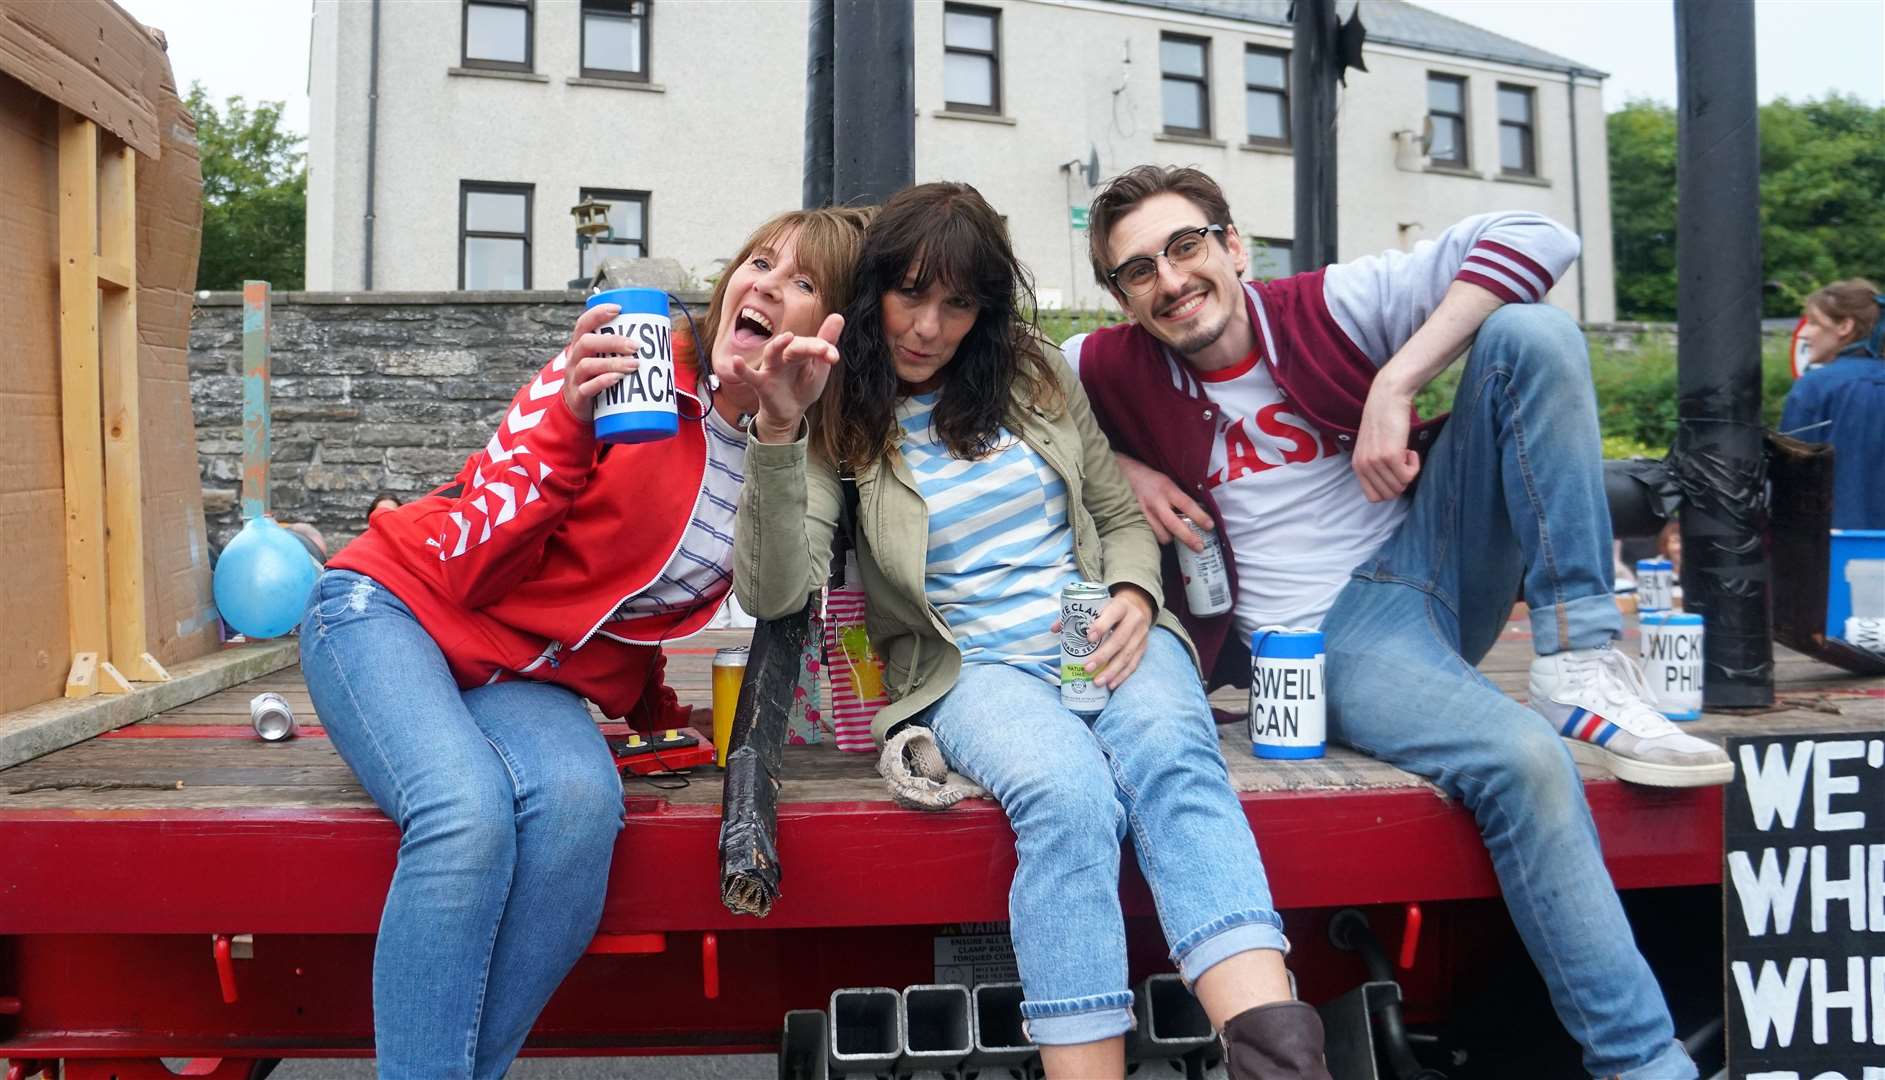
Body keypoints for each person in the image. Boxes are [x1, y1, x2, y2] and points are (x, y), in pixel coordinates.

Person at [1066, 166, 1729, 1080]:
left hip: (1437, 556)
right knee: (1524, 759)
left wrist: (1398, 379)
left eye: (1185, 246)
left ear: (1231, 246)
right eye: (1138, 270)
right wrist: (1117, 470)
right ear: (1120, 297)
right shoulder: (1102, 368)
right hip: (1329, 640)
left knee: (1529, 332)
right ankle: (1644, 1062)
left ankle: (1577, 659)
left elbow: (1542, 237)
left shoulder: (1327, 304)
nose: (1170, 279)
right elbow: (1003, 401)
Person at [733, 182, 1329, 1080]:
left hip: (1101, 632)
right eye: (910, 295)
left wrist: (1133, 588)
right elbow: (775, 590)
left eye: (958, 303)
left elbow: (1115, 512)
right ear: (874, 291)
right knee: (1066, 797)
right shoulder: (835, 411)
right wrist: (778, 427)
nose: (928, 327)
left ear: (986, 308)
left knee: (1174, 758)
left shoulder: (1031, 373)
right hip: (971, 671)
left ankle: (1282, 1064)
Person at [298, 205, 868, 1079]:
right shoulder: (632, 368)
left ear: (828, 334)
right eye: (758, 261)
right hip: (394, 607)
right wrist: (564, 416)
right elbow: (468, 563)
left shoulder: (785, 452)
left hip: (522, 675)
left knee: (578, 812)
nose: (764, 285)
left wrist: (782, 432)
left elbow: (710, 595)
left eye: (802, 282)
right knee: (466, 813)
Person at [1779, 278, 1885, 529]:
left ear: (1844, 326)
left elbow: (1789, 477)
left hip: (1833, 548)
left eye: (1814, 323)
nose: (1803, 333)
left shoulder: (1815, 387)